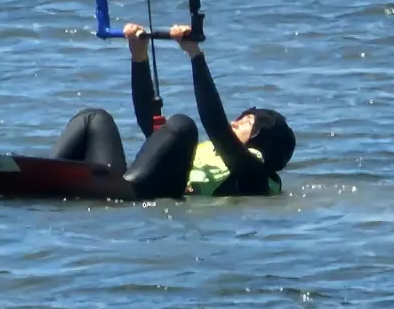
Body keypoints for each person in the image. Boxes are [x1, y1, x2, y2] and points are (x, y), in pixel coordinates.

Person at [49, 23, 295, 198]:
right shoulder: (202, 152)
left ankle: (124, 188)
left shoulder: (255, 176)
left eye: (244, 123)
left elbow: (216, 126)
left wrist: (195, 54)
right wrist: (138, 57)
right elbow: (150, 125)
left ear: (259, 142)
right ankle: (43, 174)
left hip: (138, 193)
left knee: (183, 126)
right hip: (121, 186)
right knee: (93, 118)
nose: (234, 123)